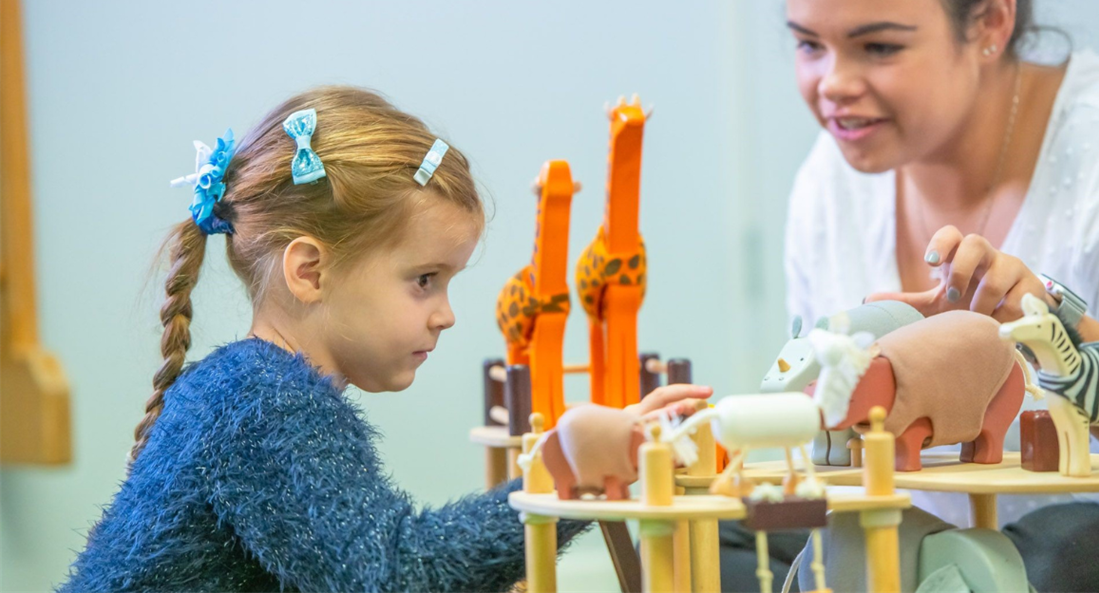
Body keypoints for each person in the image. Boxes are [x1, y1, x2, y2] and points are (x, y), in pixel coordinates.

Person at [57, 86, 712, 592]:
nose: (446, 314)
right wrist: (568, 475)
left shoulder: (245, 388)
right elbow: (395, 575)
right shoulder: (268, 405)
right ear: (310, 271)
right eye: (424, 279)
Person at [724, 0, 1099, 591]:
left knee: (1063, 550)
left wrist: (1053, 319)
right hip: (901, 535)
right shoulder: (827, 182)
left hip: (1084, 550)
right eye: (809, 44)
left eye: (879, 46)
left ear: (990, 22)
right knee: (729, 530)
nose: (832, 83)